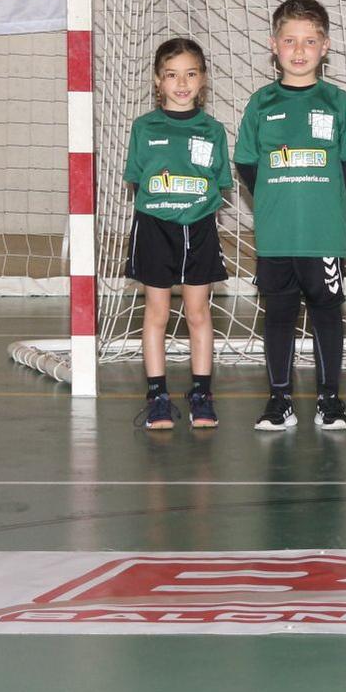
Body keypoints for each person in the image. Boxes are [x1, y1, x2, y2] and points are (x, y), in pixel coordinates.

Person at [234, 0, 346, 432]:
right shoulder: (261, 103)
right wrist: (276, 196)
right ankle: (279, 400)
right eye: (290, 41)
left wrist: (320, 197)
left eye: (310, 41)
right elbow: (248, 163)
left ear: (325, 46)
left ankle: (330, 400)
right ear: (274, 45)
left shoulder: (336, 102)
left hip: (322, 234)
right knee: (279, 314)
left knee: (327, 313)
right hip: (276, 235)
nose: (300, 50)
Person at [124, 38, 231, 430]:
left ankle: (201, 392)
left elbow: (219, 184)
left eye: (190, 74)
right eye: (172, 75)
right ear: (158, 80)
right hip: (155, 227)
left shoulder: (213, 131)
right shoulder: (143, 128)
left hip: (199, 228)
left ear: (203, 80)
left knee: (198, 312)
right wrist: (166, 209)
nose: (181, 83)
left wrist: (190, 207)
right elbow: (139, 183)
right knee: (156, 312)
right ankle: (157, 395)